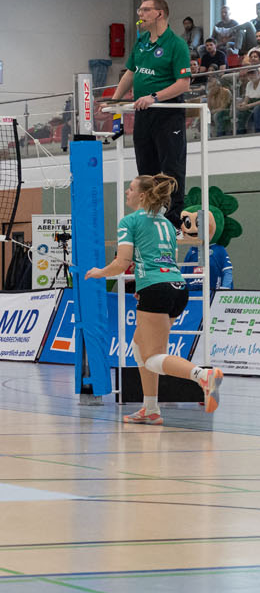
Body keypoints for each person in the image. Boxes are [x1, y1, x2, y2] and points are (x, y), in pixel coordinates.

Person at [84, 174, 223, 423]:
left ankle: (202, 376)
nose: (127, 192)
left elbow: (122, 263)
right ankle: (150, 409)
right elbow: (164, 257)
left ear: (142, 195)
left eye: (130, 188)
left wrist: (99, 273)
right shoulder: (167, 225)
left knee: (151, 358)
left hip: (156, 289)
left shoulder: (129, 222)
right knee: (140, 348)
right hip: (177, 288)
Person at [105, 0, 193, 229]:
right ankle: (150, 218)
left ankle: (173, 220)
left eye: (145, 10)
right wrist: (115, 100)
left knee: (172, 168)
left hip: (168, 113)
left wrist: (154, 97)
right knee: (145, 169)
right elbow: (131, 72)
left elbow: (183, 84)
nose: (140, 14)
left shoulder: (176, 44)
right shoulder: (142, 41)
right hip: (143, 114)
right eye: (139, 10)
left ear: (159, 14)